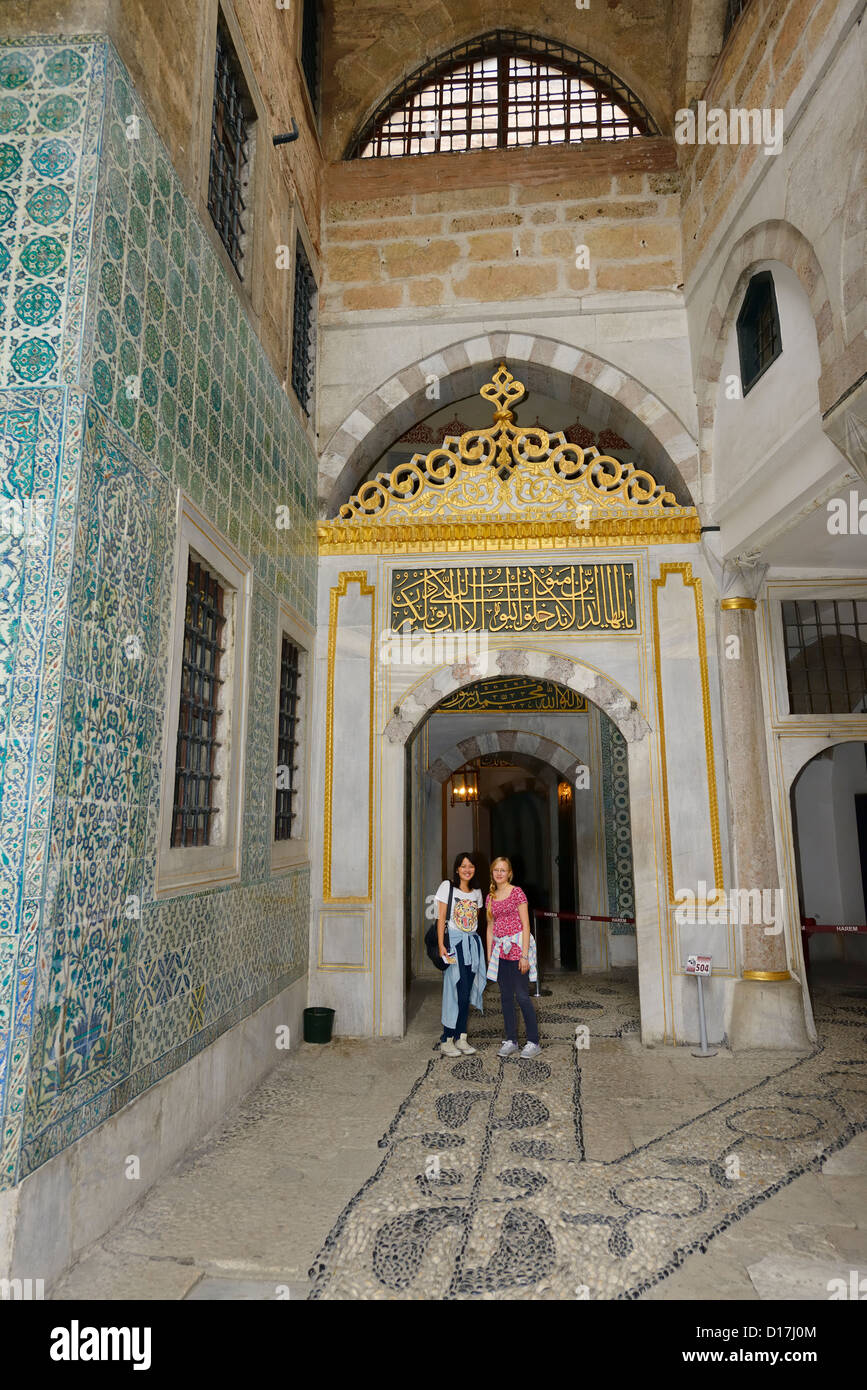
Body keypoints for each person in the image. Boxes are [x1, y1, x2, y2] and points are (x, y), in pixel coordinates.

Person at [485, 856, 541, 1058]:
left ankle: (533, 1042)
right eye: (495, 870)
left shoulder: (517, 893)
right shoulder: (490, 896)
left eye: (503, 870)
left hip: (518, 950)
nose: (499, 873)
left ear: (509, 873)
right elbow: (490, 928)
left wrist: (525, 955)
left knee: (523, 997)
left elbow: (526, 925)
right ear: (492, 873)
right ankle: (511, 1040)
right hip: (500, 952)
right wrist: (490, 955)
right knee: (506, 998)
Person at [435, 851, 486, 1057]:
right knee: (454, 991)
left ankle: (461, 1037)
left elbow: (475, 921)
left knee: (466, 992)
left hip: (471, 946)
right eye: (463, 866)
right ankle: (447, 1038)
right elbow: (441, 919)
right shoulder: (447, 887)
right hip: (454, 945)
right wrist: (441, 945)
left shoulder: (477, 893)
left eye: (471, 866)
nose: (467, 870)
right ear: (457, 868)